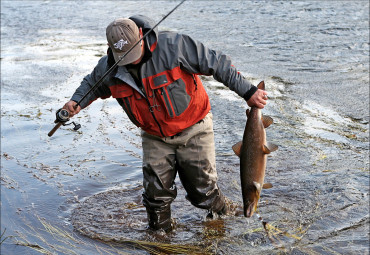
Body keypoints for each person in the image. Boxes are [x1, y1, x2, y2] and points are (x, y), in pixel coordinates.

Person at [63, 15, 268, 232]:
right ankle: (160, 237)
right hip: (155, 136)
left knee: (202, 193)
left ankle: (225, 215)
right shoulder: (109, 68)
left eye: (133, 52)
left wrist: (248, 91)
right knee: (155, 198)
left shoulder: (174, 46)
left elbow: (217, 63)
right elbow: (91, 85)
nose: (130, 60)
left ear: (141, 35)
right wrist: (75, 103)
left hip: (194, 127)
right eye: (123, 56)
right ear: (111, 48)